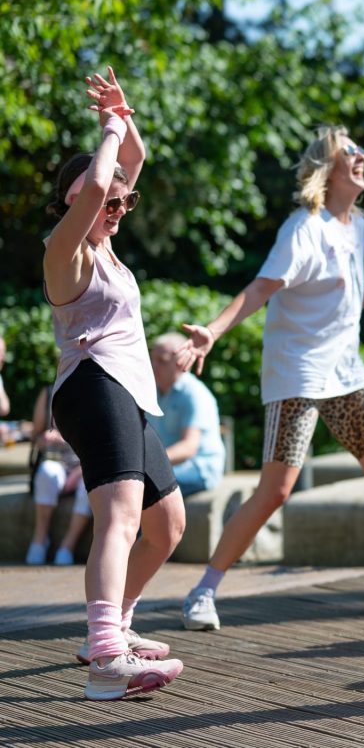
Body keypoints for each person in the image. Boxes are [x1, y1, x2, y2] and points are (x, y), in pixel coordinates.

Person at [176, 125, 364, 630]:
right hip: (299, 375)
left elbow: (346, 298)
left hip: (346, 373)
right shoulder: (303, 229)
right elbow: (261, 288)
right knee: (275, 490)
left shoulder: (355, 225)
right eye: (349, 151)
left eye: (360, 148)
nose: (361, 156)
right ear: (327, 170)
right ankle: (202, 592)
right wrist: (214, 331)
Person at [44, 68, 185, 700]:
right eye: (106, 203)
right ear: (73, 203)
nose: (117, 208)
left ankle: (114, 628)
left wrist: (124, 118)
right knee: (121, 520)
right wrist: (106, 129)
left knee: (168, 526)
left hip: (125, 392)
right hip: (91, 385)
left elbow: (128, 165)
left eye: (125, 203)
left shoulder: (107, 243)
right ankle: (105, 658)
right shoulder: (64, 251)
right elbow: (102, 177)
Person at [147, 333, 226, 497]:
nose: (153, 365)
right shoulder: (152, 392)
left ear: (181, 362)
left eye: (161, 361)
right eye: (152, 359)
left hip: (200, 468)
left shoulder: (194, 394)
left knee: (143, 488)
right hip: (169, 466)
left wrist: (145, 463)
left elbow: (188, 447)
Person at [25, 384, 92, 566]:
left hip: (85, 466)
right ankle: (40, 539)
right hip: (55, 462)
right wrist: (43, 438)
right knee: (47, 472)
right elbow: (36, 435)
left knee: (91, 483)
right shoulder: (48, 392)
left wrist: (80, 471)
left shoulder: (95, 390)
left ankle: (68, 545)